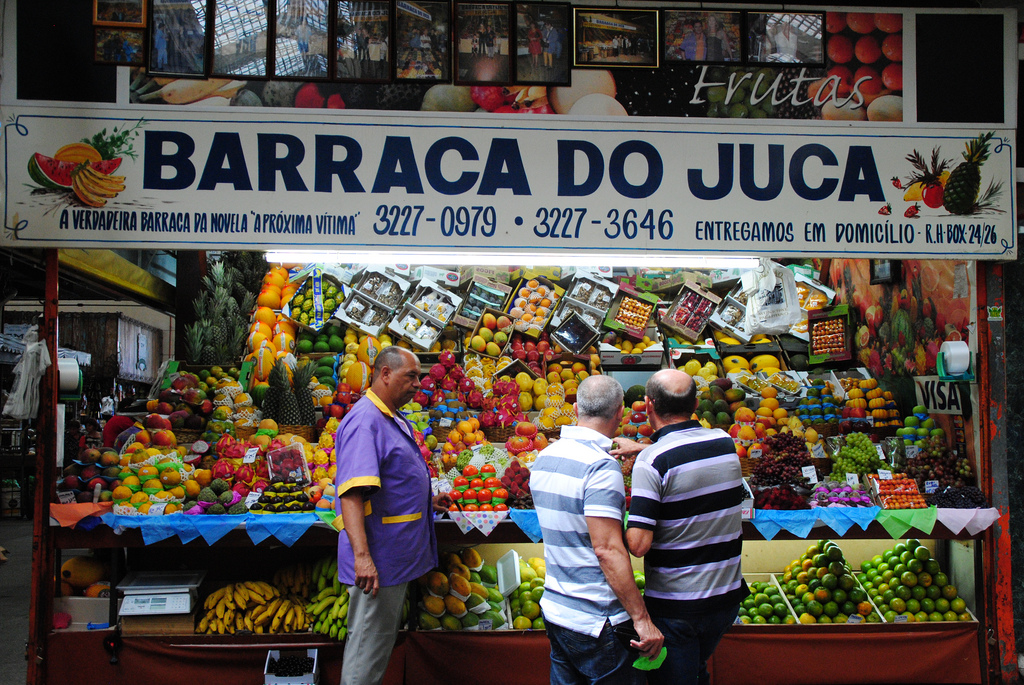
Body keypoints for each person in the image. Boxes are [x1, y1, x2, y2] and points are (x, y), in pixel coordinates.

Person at [531, 375, 663, 685]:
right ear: (620, 413)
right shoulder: (600, 467)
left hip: (557, 610)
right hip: (596, 619)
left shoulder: (545, 457)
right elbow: (606, 551)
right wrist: (642, 619)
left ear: (575, 408)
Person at [334, 346, 452, 685]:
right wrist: (362, 558)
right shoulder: (365, 421)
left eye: (419, 376)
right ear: (385, 373)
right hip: (379, 561)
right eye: (410, 376)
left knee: (377, 645)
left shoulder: (389, 415)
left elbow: (389, 480)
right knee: (367, 652)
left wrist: (426, 502)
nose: (419, 383)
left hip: (394, 554)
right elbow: (352, 495)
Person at [624, 369, 747, 685]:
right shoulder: (724, 442)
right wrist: (643, 450)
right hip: (726, 599)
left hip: (678, 607)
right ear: (695, 404)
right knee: (695, 671)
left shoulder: (652, 462)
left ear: (648, 405)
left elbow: (638, 545)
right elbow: (688, 456)